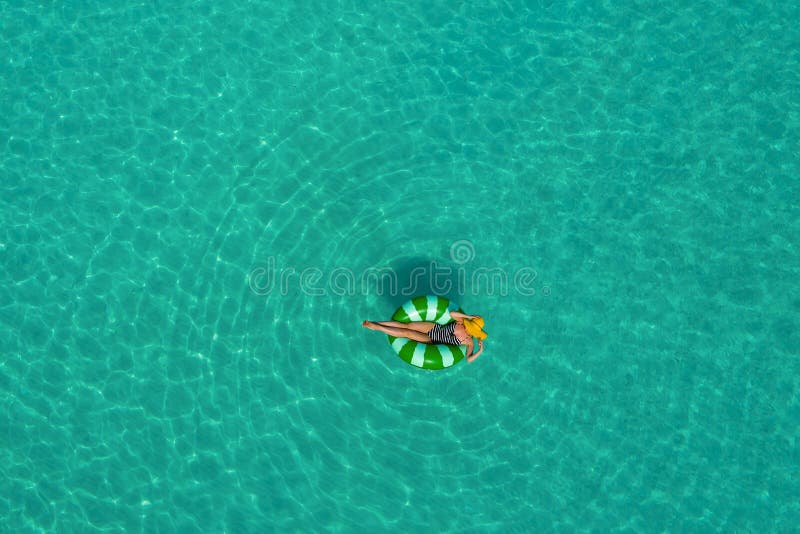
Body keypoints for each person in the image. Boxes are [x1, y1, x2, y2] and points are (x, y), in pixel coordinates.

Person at [362, 311, 487, 363]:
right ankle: (377, 322)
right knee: (407, 325)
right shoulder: (461, 322)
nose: (467, 327)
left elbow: (469, 359)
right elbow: (452, 313)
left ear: (474, 332)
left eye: (470, 328)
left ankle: (376, 327)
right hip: (434, 328)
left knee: (407, 333)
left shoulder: (469, 342)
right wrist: (469, 317)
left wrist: (480, 350)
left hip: (432, 340)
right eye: (469, 325)